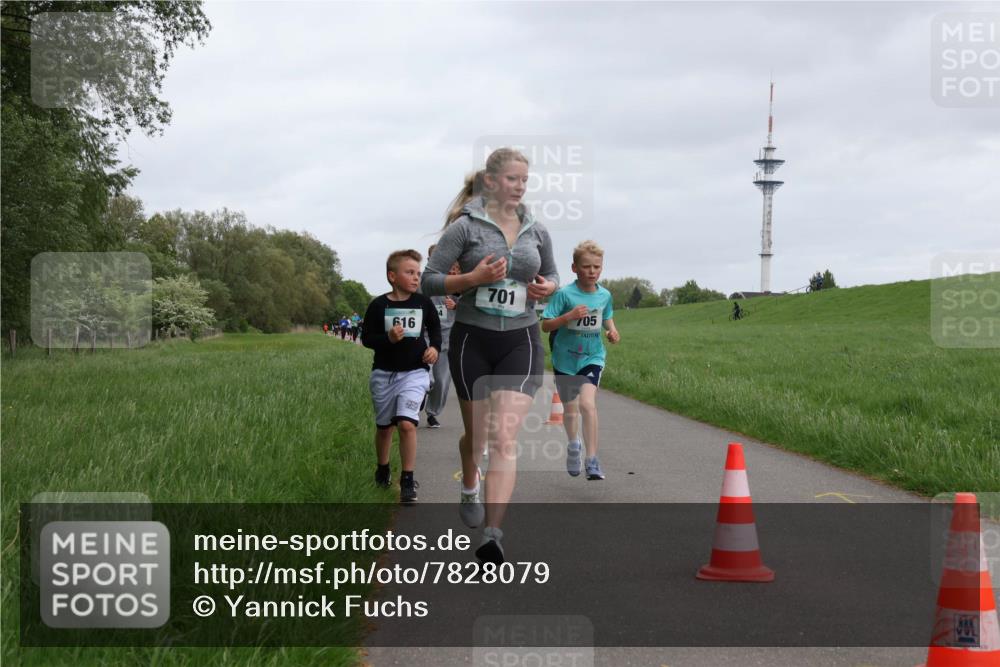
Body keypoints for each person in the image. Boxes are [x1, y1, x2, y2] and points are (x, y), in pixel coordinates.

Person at [422, 147, 559, 564]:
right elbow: (429, 281)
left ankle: (492, 534)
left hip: (522, 339)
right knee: (478, 438)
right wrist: (472, 278)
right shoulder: (465, 229)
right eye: (513, 179)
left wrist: (547, 289)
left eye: (524, 181)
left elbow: (553, 274)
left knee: (503, 438)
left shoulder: (536, 229)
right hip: (472, 342)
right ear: (492, 182)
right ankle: (469, 482)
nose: (520, 187)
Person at [362, 249, 441, 503]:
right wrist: (388, 338)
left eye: (418, 273)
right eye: (410, 272)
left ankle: (407, 478)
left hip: (415, 373)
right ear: (392, 276)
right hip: (384, 374)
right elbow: (366, 339)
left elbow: (435, 330)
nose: (416, 277)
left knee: (407, 424)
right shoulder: (378, 305)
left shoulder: (423, 303)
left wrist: (434, 349)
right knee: (385, 428)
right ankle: (383, 469)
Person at [541, 240, 620, 480]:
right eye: (586, 267)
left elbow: (606, 316)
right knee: (570, 409)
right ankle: (574, 445)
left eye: (597, 267)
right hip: (565, 359)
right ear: (574, 268)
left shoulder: (605, 294)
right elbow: (546, 325)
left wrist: (612, 331)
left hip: (592, 356)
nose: (592, 271)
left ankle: (592, 460)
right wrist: (568, 316)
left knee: (587, 404)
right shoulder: (564, 294)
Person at [423, 245, 462, 428]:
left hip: (447, 339)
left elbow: (473, 305)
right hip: (424, 336)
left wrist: (456, 305)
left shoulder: (458, 282)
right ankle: (418, 397)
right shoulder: (423, 282)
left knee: (441, 381)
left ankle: (432, 413)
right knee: (425, 376)